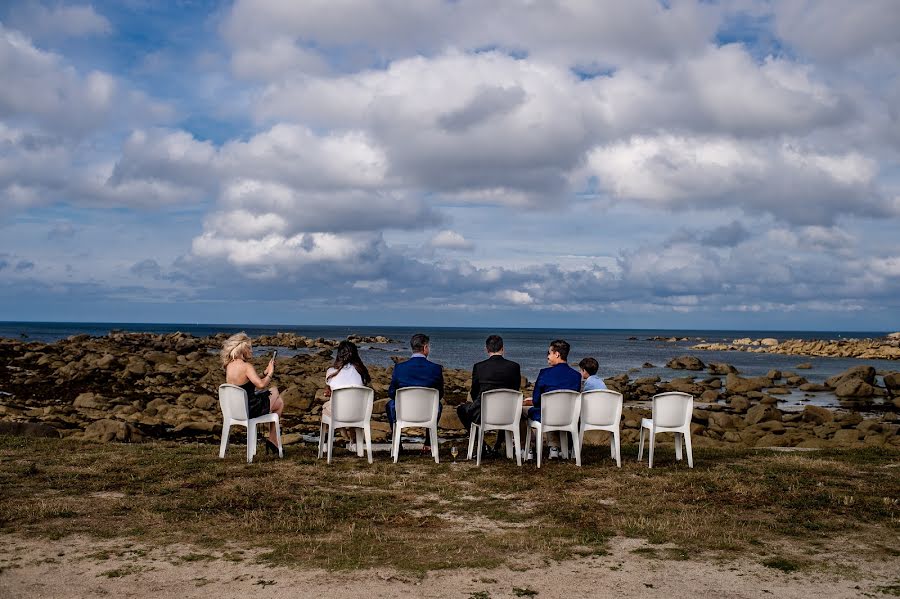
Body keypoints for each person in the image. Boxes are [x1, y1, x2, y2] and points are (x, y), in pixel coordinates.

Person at [221, 332, 284, 454]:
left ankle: (273, 440)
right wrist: (271, 373)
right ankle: (272, 440)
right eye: (249, 348)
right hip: (250, 410)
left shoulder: (229, 365)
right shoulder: (246, 366)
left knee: (280, 403)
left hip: (235, 410)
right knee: (275, 390)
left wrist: (264, 373)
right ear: (242, 348)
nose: (251, 351)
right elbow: (260, 385)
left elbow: (248, 380)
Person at [457, 335, 521, 455]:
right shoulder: (514, 367)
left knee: (461, 409)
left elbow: (474, 391)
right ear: (503, 349)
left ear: (487, 350)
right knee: (505, 404)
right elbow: (515, 390)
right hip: (508, 414)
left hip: (483, 414)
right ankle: (497, 446)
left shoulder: (479, 367)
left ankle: (483, 446)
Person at [526, 339, 581, 459]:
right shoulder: (576, 376)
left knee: (525, 412)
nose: (547, 356)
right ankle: (556, 448)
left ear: (557, 354)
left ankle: (528, 449)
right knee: (550, 409)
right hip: (569, 416)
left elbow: (536, 400)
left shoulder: (544, 373)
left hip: (547, 416)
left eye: (549, 353)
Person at [387, 333, 444, 444]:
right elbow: (440, 394)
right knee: (437, 405)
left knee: (389, 405)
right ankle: (429, 442)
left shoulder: (399, 368)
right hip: (428, 412)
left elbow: (391, 392)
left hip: (403, 412)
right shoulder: (436, 368)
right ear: (425, 347)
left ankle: (397, 444)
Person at [323, 340, 371, 447]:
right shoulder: (361, 372)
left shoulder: (331, 372)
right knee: (352, 406)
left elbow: (330, 390)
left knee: (325, 408)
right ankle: (354, 441)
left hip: (338, 413)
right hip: (358, 412)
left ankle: (325, 443)